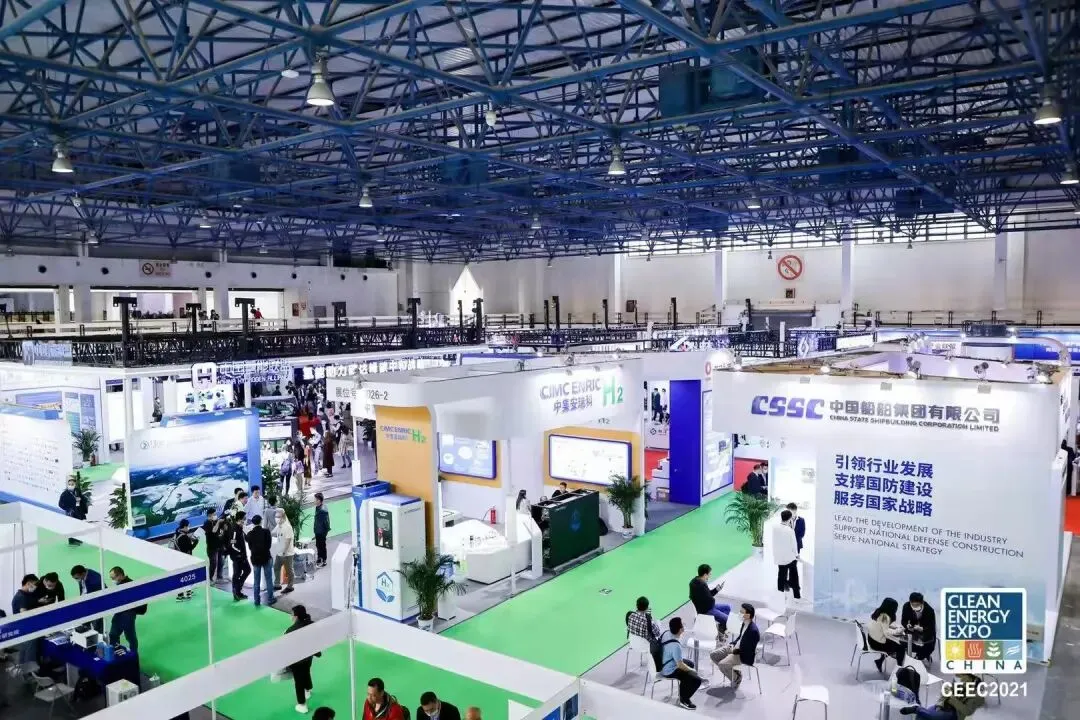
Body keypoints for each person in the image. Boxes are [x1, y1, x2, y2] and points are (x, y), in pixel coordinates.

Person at [710, 603, 760, 689]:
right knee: (713, 655)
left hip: (743, 655)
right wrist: (733, 644)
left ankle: (737, 678)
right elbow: (740, 637)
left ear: (748, 615)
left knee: (722, 664)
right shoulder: (744, 623)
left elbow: (750, 649)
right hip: (735, 648)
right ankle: (733, 671)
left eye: (741, 612)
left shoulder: (753, 631)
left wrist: (735, 651)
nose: (739, 614)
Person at [660, 617, 703, 709]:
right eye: (682, 625)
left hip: (663, 662)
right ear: (680, 630)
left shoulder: (666, 633)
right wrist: (692, 671)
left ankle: (683, 688)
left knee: (690, 664)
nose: (684, 626)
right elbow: (680, 665)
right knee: (697, 680)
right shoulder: (676, 646)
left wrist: (690, 668)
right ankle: (684, 700)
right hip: (669, 670)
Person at [898, 674, 986, 719]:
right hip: (942, 706)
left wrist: (953, 700)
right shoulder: (958, 683)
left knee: (931, 716)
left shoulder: (976, 695)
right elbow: (944, 695)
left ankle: (916, 709)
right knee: (922, 717)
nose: (962, 679)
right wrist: (939, 704)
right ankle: (919, 710)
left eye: (965, 677)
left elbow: (967, 711)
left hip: (954, 714)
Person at [286, 605, 320, 713]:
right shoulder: (312, 624)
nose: (291, 616)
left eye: (292, 614)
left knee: (298, 682)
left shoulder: (291, 630)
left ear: (296, 617)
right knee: (306, 672)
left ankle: (302, 705)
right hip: (309, 657)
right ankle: (307, 690)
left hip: (297, 660)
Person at [867, 597, 906, 672]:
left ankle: (880, 661)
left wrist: (893, 627)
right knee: (901, 648)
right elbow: (886, 633)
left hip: (871, 639)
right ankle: (899, 670)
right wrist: (898, 631)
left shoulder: (879, 612)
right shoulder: (885, 617)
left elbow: (882, 626)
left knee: (893, 644)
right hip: (877, 644)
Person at [107, 567, 141, 651]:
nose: (112, 580)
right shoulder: (120, 584)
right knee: (113, 634)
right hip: (120, 612)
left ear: (120, 575)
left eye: (113, 578)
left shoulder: (130, 585)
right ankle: (115, 649)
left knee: (130, 636)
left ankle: (134, 653)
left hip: (128, 614)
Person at [689, 564, 731, 629]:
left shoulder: (695, 581)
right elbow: (711, 599)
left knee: (727, 607)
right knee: (728, 620)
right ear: (705, 575)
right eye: (709, 574)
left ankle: (722, 627)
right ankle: (723, 627)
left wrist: (717, 589)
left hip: (707, 607)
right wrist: (712, 599)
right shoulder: (702, 585)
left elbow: (708, 594)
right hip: (706, 610)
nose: (710, 575)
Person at [246, 515, 275, 607]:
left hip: (255, 559)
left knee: (256, 581)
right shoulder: (266, 532)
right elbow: (269, 545)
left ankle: (257, 600)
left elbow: (250, 547)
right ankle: (270, 598)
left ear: (253, 523)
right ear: (261, 521)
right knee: (269, 579)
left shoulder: (250, 534)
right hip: (266, 557)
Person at [772, 510, 801, 599]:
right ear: (789, 518)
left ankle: (780, 595)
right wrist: (797, 555)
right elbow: (794, 545)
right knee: (794, 576)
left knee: (781, 576)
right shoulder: (790, 530)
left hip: (779, 557)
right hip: (789, 558)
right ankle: (797, 596)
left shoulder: (775, 528)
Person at [11, 574, 39, 665]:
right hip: (26, 628)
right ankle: (30, 671)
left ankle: (22, 668)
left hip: (23, 627)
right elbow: (24, 614)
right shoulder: (21, 597)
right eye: (34, 584)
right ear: (28, 583)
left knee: (24, 650)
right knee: (29, 651)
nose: (35, 587)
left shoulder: (24, 594)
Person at [902, 592, 937, 661]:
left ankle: (919, 657)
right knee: (903, 643)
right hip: (912, 632)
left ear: (922, 603)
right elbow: (903, 620)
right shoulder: (906, 606)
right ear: (910, 602)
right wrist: (907, 625)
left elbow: (931, 628)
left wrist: (922, 629)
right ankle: (919, 655)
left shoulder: (929, 610)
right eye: (913, 605)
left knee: (929, 648)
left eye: (917, 605)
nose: (915, 607)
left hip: (927, 632)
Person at [59, 475, 89, 545]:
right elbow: (60, 504)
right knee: (71, 526)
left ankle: (77, 538)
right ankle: (71, 540)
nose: (71, 486)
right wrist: (68, 509)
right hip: (71, 512)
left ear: (75, 485)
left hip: (78, 511)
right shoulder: (64, 494)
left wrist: (81, 499)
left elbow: (82, 498)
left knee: (78, 525)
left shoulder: (77, 491)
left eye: (72, 484)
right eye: (69, 484)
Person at [272, 507, 296, 594]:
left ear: (283, 517)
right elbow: (272, 532)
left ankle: (290, 586)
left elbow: (288, 540)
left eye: (278, 517)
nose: (277, 518)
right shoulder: (279, 525)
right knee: (276, 567)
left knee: (289, 570)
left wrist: (284, 552)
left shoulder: (287, 527)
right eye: (276, 516)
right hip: (279, 552)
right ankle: (277, 584)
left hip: (287, 553)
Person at [173, 519, 199, 600]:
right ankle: (183, 594)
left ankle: (184, 593)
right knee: (186, 576)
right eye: (188, 526)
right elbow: (190, 548)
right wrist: (196, 541)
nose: (189, 528)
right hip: (185, 559)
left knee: (182, 576)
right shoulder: (184, 537)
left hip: (178, 558)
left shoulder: (177, 533)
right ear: (184, 527)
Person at [229, 511, 251, 601]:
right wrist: (240, 553)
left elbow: (246, 539)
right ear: (240, 519)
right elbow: (232, 544)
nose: (245, 520)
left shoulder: (241, 528)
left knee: (246, 570)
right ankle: (236, 591)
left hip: (242, 556)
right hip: (237, 557)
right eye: (244, 518)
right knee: (237, 573)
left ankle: (238, 589)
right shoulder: (234, 529)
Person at [202, 509, 227, 583]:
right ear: (209, 515)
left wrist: (224, 522)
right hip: (212, 547)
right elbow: (214, 530)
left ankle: (219, 577)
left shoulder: (216, 521)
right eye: (214, 514)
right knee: (213, 563)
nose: (215, 515)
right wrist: (218, 522)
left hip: (219, 544)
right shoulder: (206, 523)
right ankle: (209, 578)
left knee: (221, 562)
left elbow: (223, 528)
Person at [313, 493, 330, 568]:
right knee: (318, 545)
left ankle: (324, 560)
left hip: (322, 532)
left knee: (322, 546)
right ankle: (319, 558)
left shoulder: (323, 510)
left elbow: (326, 522)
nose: (314, 501)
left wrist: (325, 532)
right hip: (317, 531)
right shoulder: (317, 507)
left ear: (319, 500)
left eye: (315, 499)